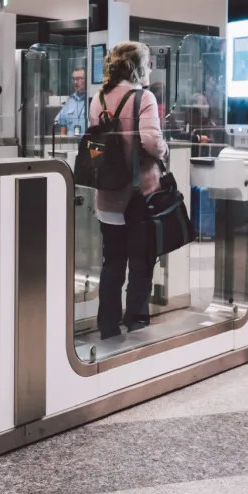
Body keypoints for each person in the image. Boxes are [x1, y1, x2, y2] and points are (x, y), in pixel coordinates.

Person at [89, 42, 169, 340]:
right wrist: (164, 148)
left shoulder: (98, 98)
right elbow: (150, 141)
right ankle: (135, 319)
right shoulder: (143, 97)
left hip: (107, 195)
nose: (150, 69)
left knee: (112, 263)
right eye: (148, 63)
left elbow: (95, 143)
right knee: (141, 261)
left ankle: (107, 325)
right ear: (137, 66)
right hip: (138, 195)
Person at [55, 67, 87, 136]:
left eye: (78, 79)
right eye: (74, 79)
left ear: (86, 80)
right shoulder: (69, 101)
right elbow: (63, 127)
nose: (75, 82)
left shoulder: (92, 100)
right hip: (72, 144)